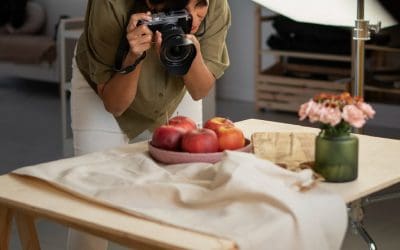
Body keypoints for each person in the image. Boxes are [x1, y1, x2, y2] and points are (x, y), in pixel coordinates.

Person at [68, 0, 230, 249]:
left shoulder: (216, 3)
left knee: (189, 189)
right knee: (92, 198)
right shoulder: (109, 4)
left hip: (176, 83)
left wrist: (192, 56)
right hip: (111, 83)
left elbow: (199, 90)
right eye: (182, 12)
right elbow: (115, 104)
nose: (195, 20)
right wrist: (134, 56)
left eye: (200, 5)